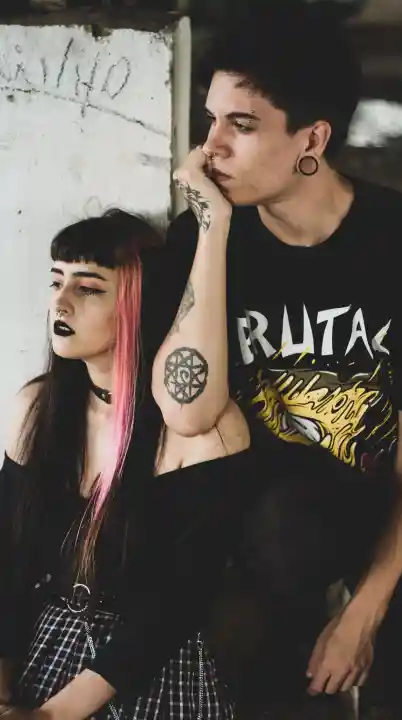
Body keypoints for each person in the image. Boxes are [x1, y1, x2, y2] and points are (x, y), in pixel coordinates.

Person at [152, 7, 402, 719]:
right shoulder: (201, 237)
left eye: (241, 125)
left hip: (391, 496)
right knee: (272, 600)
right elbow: (186, 410)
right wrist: (213, 234)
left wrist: (364, 613)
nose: (209, 149)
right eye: (210, 120)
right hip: (272, 520)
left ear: (312, 139)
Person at [0, 209, 258, 720]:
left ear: (141, 304)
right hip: (37, 647)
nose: (60, 302)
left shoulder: (206, 433)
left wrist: (55, 715)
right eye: (56, 281)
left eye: (88, 288)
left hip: (149, 667)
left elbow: (179, 602)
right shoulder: (36, 408)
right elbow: (7, 559)